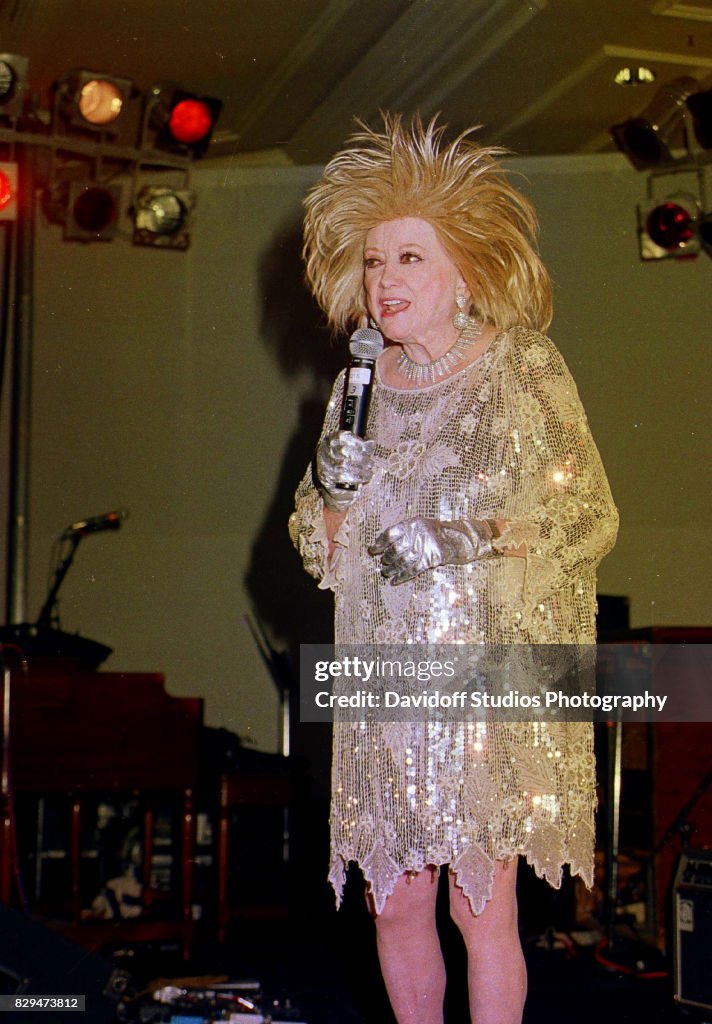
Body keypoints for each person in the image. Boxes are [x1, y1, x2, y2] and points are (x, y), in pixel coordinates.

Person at [289, 114, 618, 1024]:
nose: (384, 282)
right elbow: (311, 541)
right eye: (372, 262)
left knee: (482, 903)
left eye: (408, 260)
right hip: (383, 684)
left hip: (481, 683)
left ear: (464, 274)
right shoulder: (357, 392)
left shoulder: (521, 366)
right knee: (392, 900)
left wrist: (460, 536)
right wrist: (334, 503)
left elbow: (585, 512)